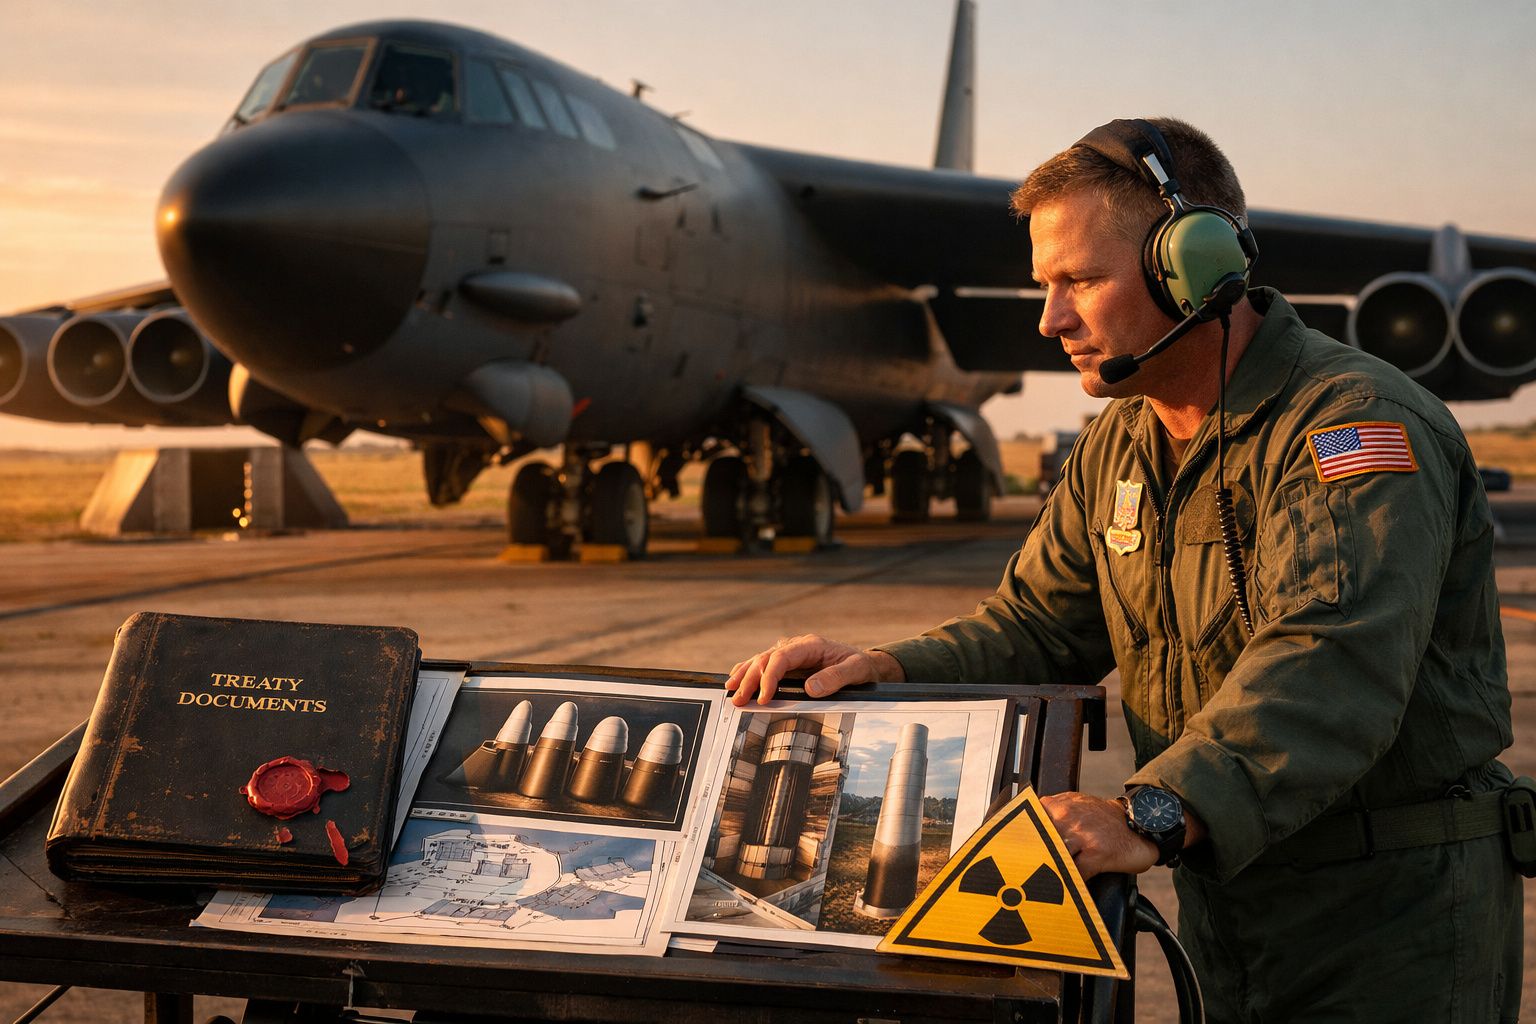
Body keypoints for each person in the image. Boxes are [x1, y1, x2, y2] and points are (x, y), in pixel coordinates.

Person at [725, 117, 1522, 1022]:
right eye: (1045, 285)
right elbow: (1034, 627)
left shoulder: (1351, 425)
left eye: (1080, 281)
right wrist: (887, 667)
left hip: (1390, 918)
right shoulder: (1121, 445)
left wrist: (1151, 811)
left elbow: (1334, 658)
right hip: (1234, 902)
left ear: (1195, 267)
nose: (1049, 319)